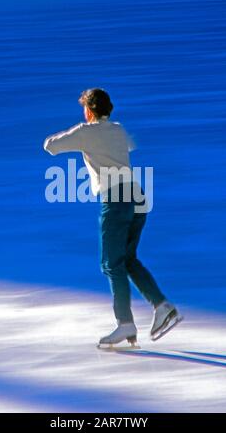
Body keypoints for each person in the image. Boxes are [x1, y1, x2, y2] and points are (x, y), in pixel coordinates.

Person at [43, 88, 182, 346]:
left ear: (90, 110)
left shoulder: (85, 132)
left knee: (110, 264)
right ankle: (162, 306)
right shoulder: (117, 129)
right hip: (137, 196)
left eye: (84, 108)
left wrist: (77, 133)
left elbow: (50, 147)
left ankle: (125, 324)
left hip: (116, 200)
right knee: (127, 259)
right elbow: (130, 144)